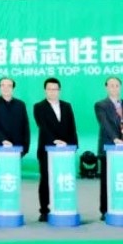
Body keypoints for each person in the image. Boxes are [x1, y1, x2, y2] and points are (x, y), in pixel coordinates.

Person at [32, 77, 78, 222]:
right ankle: (44, 210)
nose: (52, 92)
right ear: (45, 90)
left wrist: (72, 144)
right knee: (46, 178)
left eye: (55, 89)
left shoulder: (67, 106)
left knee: (63, 178)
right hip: (47, 148)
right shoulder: (38, 107)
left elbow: (72, 126)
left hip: (66, 149)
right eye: (49, 89)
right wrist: (55, 141)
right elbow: (43, 126)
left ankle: (63, 205)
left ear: (59, 90)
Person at [94, 77, 123, 221]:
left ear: (120, 87)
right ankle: (105, 209)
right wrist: (115, 139)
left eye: (117, 85)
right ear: (106, 88)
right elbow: (104, 123)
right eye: (111, 85)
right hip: (109, 147)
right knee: (107, 180)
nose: (114, 88)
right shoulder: (100, 105)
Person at [0, 77, 31, 184]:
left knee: (14, 179)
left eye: (9, 86)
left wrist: (25, 147)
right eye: (3, 85)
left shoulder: (20, 105)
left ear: (13, 88)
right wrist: (3, 140)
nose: (6, 88)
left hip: (16, 149)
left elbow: (25, 126)